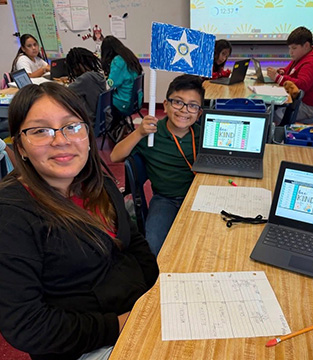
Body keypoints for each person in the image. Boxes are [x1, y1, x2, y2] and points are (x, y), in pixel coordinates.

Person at [0, 82, 159, 360]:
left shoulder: (97, 183)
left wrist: (155, 297)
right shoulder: (11, 216)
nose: (61, 140)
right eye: (40, 130)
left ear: (87, 134)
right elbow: (27, 325)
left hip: (137, 311)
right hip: (88, 345)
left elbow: (133, 242)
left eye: (72, 126)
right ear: (21, 147)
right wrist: (120, 324)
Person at [110, 74, 204, 256]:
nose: (184, 110)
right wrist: (139, 133)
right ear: (165, 105)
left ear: (199, 112)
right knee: (153, 248)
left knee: (200, 247)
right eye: (178, 102)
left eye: (193, 105)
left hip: (198, 198)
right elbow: (115, 156)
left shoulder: (204, 135)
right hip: (165, 199)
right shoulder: (151, 134)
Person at [266, 26, 313, 124]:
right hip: (296, 101)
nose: (291, 52)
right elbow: (289, 71)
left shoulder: (311, 63)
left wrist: (278, 78)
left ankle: (276, 135)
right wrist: (281, 72)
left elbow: (302, 84)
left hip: (305, 106)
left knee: (272, 113)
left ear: (306, 45)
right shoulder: (301, 58)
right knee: (270, 109)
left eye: (294, 48)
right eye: (290, 48)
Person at [100, 36, 143, 116]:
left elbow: (110, 84)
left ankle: (106, 126)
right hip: (136, 101)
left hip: (124, 102)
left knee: (97, 99)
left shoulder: (118, 61)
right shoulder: (128, 56)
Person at [66, 47, 107, 125]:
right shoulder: (97, 76)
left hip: (91, 122)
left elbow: (65, 93)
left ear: (77, 66)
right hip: (103, 120)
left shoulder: (86, 79)